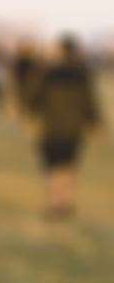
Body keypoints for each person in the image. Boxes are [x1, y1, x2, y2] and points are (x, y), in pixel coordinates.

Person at [28, 34, 105, 219]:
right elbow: (90, 101)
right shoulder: (83, 73)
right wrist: (96, 123)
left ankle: (56, 203)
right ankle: (67, 202)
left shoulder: (46, 72)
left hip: (52, 127)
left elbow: (33, 99)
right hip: (74, 128)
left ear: (59, 50)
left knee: (53, 167)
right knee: (69, 165)